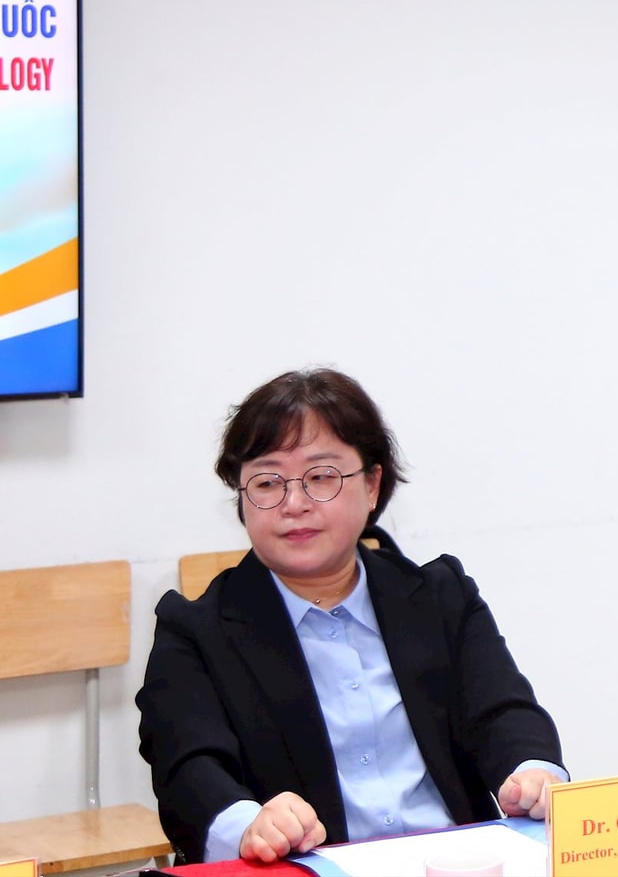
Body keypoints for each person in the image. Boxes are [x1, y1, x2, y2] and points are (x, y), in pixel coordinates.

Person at [137, 369, 566, 865]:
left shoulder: (439, 595)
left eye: (321, 477)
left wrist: (533, 771)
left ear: (371, 484)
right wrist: (248, 823)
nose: (294, 504)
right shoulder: (195, 631)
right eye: (267, 482)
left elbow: (504, 712)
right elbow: (187, 770)